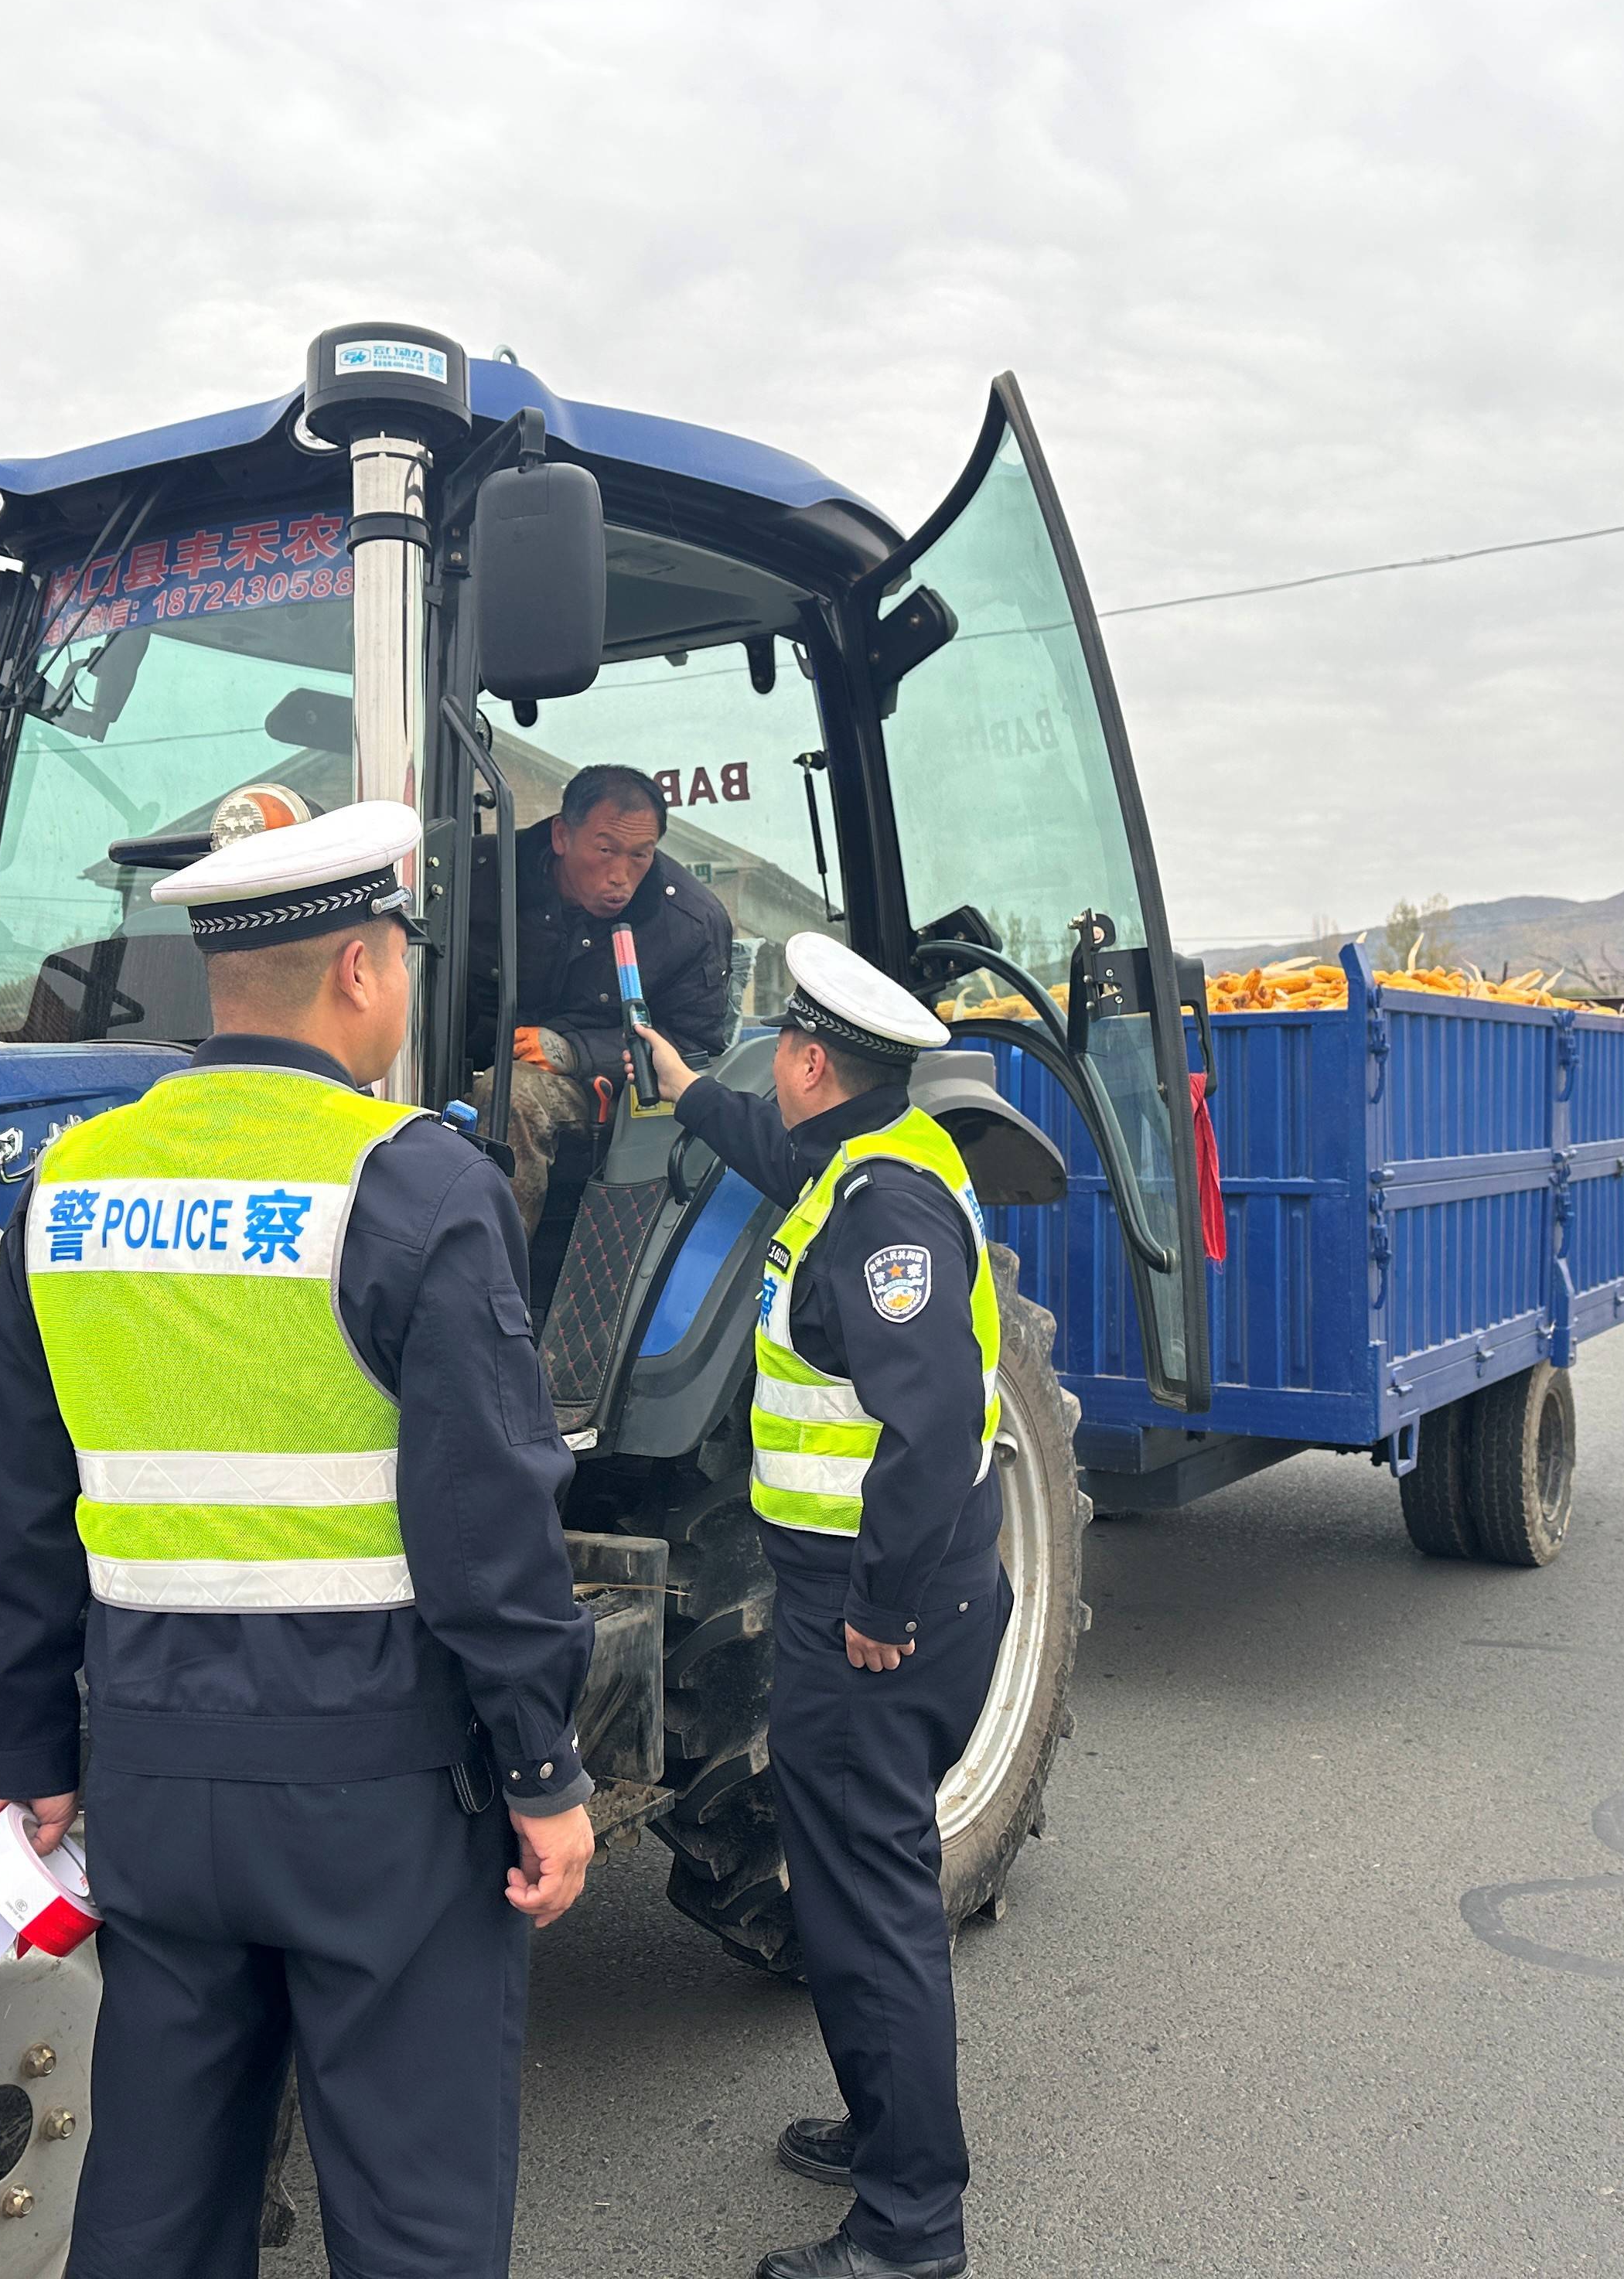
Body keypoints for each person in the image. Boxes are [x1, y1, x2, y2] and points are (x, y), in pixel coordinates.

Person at [0, 800, 596, 2279]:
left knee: (156, 2201)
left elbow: (15, 1501)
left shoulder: (69, 1186)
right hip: (382, 1796)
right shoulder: (415, 1182)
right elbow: (487, 1525)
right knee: (413, 2212)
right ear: (362, 968)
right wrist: (543, 1769)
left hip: (154, 1781)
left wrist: (27, 1747)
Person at [637, 934, 1005, 2279]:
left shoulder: (883, 1213)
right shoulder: (860, 1153)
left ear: (804, 1059)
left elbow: (932, 1428)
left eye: (776, 1055)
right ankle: (883, 2128)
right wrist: (687, 1090)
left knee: (867, 1901)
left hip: (876, 1607)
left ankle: (911, 2227)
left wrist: (881, 1611)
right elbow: (770, 1147)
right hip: (864, 1591)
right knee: (848, 1883)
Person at [468, 762, 735, 1231]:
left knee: (510, 1093)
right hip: (459, 1060)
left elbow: (695, 1046)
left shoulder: (689, 923)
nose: (620, 876)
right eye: (606, 849)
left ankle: (491, 1269)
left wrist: (574, 1051)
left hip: (609, 1088)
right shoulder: (476, 875)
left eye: (640, 855)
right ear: (561, 836)